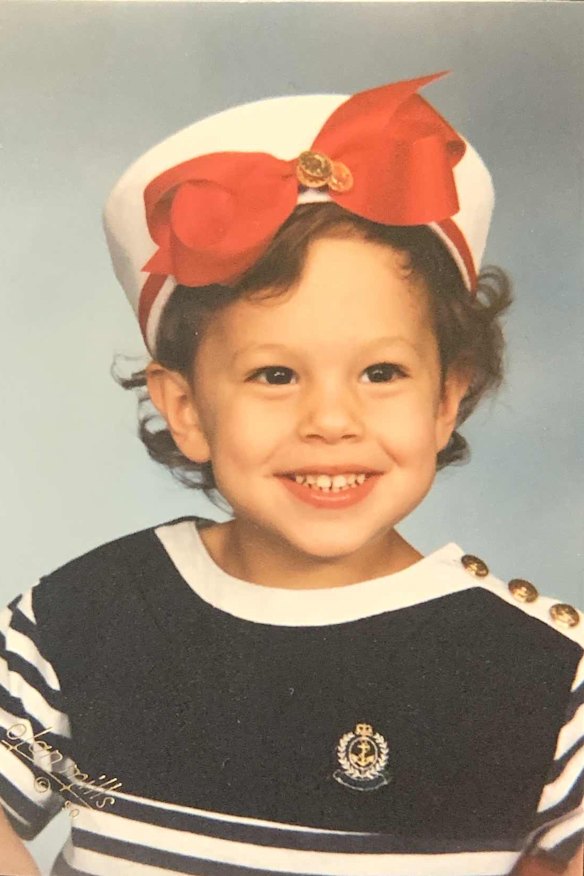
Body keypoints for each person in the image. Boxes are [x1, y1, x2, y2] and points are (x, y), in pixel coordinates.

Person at [0, 71, 581, 876]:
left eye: (381, 373)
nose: (332, 420)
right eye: (275, 375)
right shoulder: (84, 617)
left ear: (449, 398)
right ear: (188, 409)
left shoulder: (541, 676)